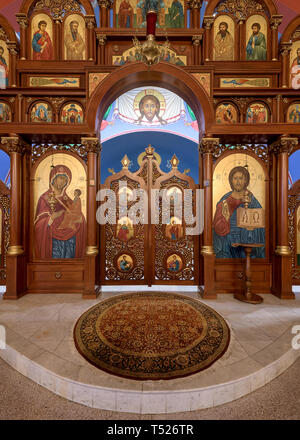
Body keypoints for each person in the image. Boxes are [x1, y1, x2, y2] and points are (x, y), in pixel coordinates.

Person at [34, 165, 86, 258]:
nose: (63, 181)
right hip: (52, 240)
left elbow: (78, 216)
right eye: (60, 178)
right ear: (53, 179)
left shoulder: (68, 200)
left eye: (66, 179)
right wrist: (51, 218)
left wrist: (79, 218)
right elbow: (38, 224)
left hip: (69, 240)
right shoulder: (44, 198)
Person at [213, 166, 265, 258]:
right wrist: (225, 219)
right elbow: (216, 228)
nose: (238, 182)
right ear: (231, 180)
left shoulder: (251, 199)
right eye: (235, 178)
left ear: (246, 181)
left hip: (247, 243)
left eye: (241, 178)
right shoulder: (225, 200)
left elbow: (260, 223)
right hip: (228, 244)